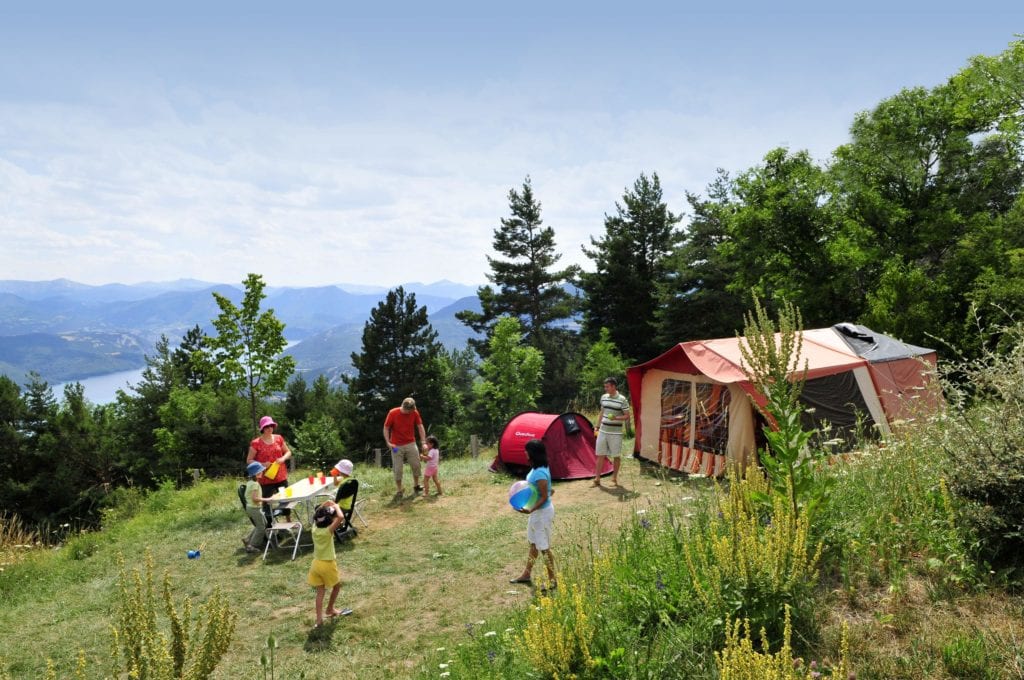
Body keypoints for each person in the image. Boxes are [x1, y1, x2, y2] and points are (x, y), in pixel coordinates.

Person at [509, 439, 556, 591]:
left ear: (533, 453)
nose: (525, 452)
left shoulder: (540, 472)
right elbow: (544, 491)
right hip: (537, 513)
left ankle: (552, 580)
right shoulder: (539, 468)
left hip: (541, 513)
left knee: (544, 547)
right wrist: (548, 491)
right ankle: (527, 574)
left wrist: (531, 509)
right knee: (534, 544)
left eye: (527, 450)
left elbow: (543, 497)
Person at [308, 501, 347, 626]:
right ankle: (330, 609)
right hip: (327, 564)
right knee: (336, 587)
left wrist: (323, 506)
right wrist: (335, 506)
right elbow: (340, 517)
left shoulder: (314, 529)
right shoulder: (328, 531)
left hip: (315, 564)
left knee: (320, 592)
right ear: (328, 521)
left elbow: (317, 513)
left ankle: (319, 619)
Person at [382, 397, 426, 497]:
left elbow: (420, 426)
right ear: (404, 407)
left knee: (416, 464)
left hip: (411, 443)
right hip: (396, 445)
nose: (410, 413)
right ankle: (399, 489)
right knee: (398, 469)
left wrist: (423, 442)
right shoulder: (393, 413)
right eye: (409, 411)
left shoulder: (414, 412)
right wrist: (388, 442)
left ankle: (416, 485)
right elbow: (386, 428)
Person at [593, 377, 630, 487]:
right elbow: (602, 412)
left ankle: (614, 479)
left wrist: (616, 418)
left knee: (616, 456)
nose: (605, 389)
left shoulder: (622, 399)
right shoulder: (604, 397)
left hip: (616, 433)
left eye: (607, 386)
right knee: (600, 454)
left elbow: (627, 416)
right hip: (603, 430)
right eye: (605, 387)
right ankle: (597, 479)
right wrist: (597, 426)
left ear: (614, 386)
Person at [247, 415, 293, 499]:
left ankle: (284, 512)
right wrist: (262, 464)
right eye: (267, 426)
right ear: (262, 428)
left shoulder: (279, 438)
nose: (270, 428)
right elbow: (249, 460)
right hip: (265, 478)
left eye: (271, 426)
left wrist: (283, 458)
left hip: (281, 476)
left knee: (286, 500)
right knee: (267, 504)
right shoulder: (256, 443)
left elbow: (288, 452)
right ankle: (269, 512)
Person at [242, 461, 274, 554]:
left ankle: (247, 539)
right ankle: (252, 545)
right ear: (256, 474)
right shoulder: (255, 484)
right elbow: (255, 499)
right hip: (254, 508)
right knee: (261, 527)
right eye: (261, 471)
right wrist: (267, 499)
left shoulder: (250, 482)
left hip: (252, 507)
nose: (262, 472)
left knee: (262, 524)